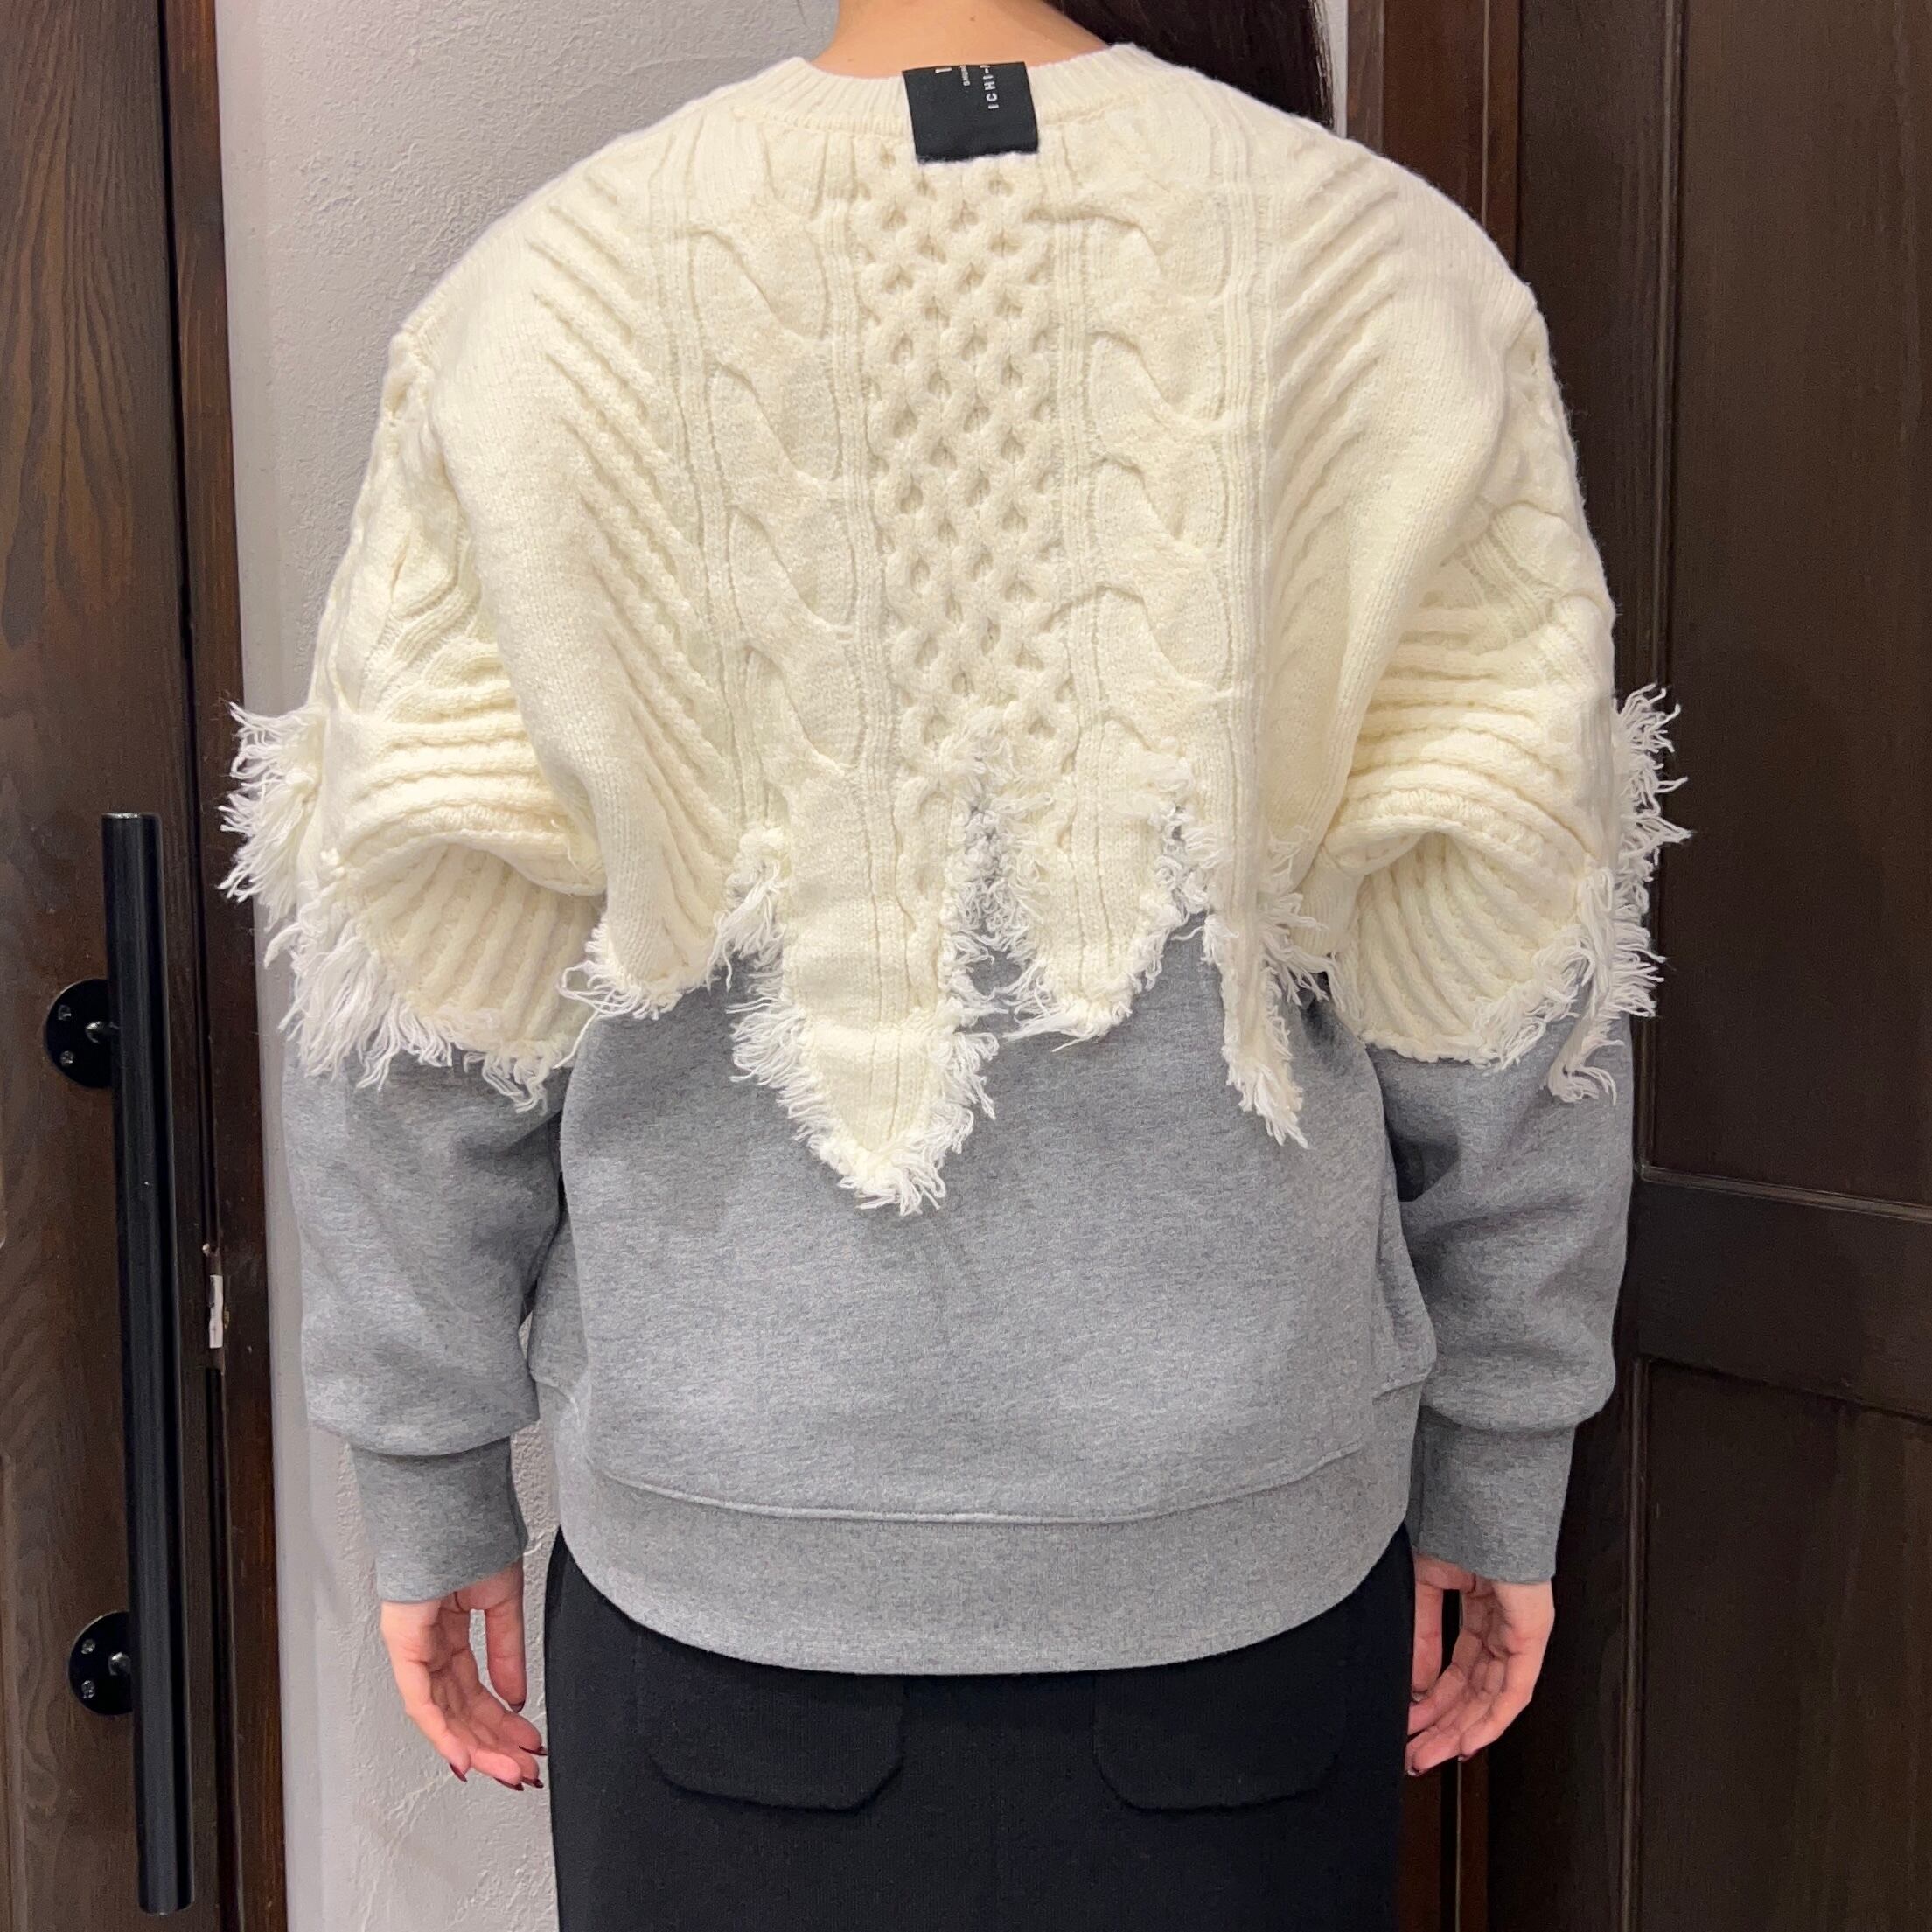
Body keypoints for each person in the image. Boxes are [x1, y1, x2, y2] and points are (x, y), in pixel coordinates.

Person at [227, 0, 1684, 1924]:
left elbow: (416, 968)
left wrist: (428, 1481)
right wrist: (1501, 1451)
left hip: (727, 1601)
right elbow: (1504, 945)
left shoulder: (544, 303)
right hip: (1240, 1596)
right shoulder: (1388, 279)